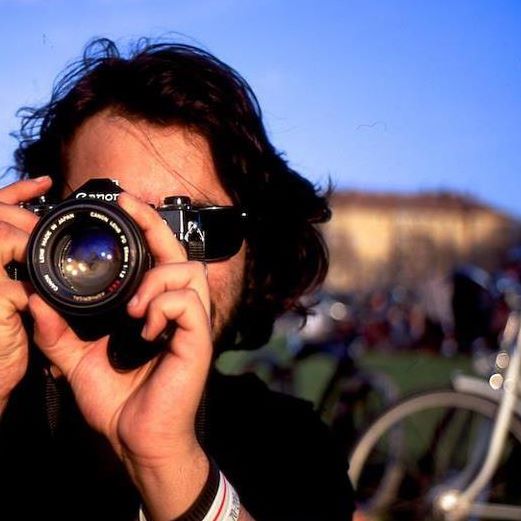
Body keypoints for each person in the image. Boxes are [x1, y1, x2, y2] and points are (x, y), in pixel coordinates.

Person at [0, 38, 355, 520]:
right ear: (40, 227)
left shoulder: (291, 447)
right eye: (107, 224)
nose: (152, 258)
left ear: (255, 252)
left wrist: (167, 463)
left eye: (195, 228)